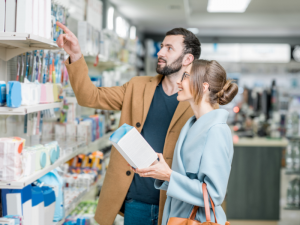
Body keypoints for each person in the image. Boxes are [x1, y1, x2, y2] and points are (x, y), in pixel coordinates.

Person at [55, 21, 201, 225]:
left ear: (188, 59)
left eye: (169, 48)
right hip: (136, 201)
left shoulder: (198, 99)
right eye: (161, 46)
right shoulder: (137, 86)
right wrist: (76, 56)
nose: (161, 53)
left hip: (175, 203)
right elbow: (90, 97)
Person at [135, 59, 238, 225]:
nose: (178, 81)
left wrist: (169, 175)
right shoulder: (192, 124)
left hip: (195, 219)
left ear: (204, 87)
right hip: (177, 215)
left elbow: (213, 194)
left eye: (185, 76)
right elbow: (184, 177)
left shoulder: (216, 130)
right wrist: (160, 171)